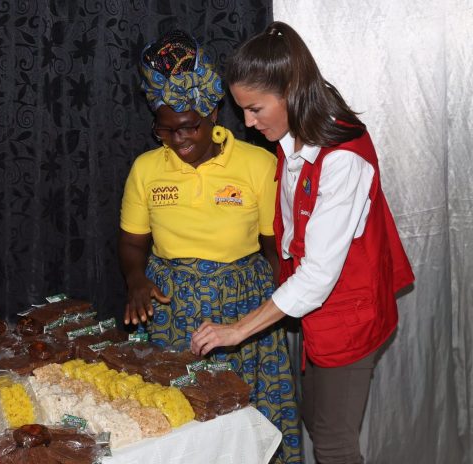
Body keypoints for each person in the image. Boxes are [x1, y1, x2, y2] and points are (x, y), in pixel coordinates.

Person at [191, 22, 415, 464]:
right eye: (243, 111)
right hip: (318, 310)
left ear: (291, 89)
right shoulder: (293, 129)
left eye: (255, 109)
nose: (249, 123)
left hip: (348, 315)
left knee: (333, 444)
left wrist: (238, 330)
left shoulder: (343, 159)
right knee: (317, 418)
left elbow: (318, 275)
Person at [119, 30, 301, 463]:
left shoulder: (259, 164)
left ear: (213, 111)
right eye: (166, 131)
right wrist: (135, 281)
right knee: (180, 421)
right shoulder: (146, 169)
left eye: (189, 128)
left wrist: (278, 305)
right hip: (171, 311)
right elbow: (131, 243)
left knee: (248, 418)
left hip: (242, 306)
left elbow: (275, 250)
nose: (179, 140)